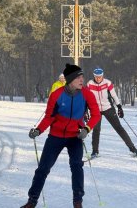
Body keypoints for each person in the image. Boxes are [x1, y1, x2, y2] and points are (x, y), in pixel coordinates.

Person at [21, 64, 101, 208]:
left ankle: (78, 201)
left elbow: (96, 114)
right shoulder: (56, 95)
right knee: (43, 168)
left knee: (77, 166)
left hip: (76, 136)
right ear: (70, 79)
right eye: (78, 77)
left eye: (82, 76)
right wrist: (38, 130)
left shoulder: (87, 94)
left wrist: (86, 129)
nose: (82, 80)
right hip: (56, 136)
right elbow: (49, 117)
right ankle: (31, 201)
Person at [87, 68, 137, 157]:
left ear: (102, 76)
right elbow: (87, 98)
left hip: (108, 108)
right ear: (94, 76)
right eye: (96, 77)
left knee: (119, 128)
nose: (98, 78)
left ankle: (133, 148)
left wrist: (119, 107)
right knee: (96, 130)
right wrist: (86, 111)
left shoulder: (107, 83)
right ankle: (95, 151)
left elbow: (114, 95)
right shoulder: (90, 84)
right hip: (96, 110)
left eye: (100, 77)